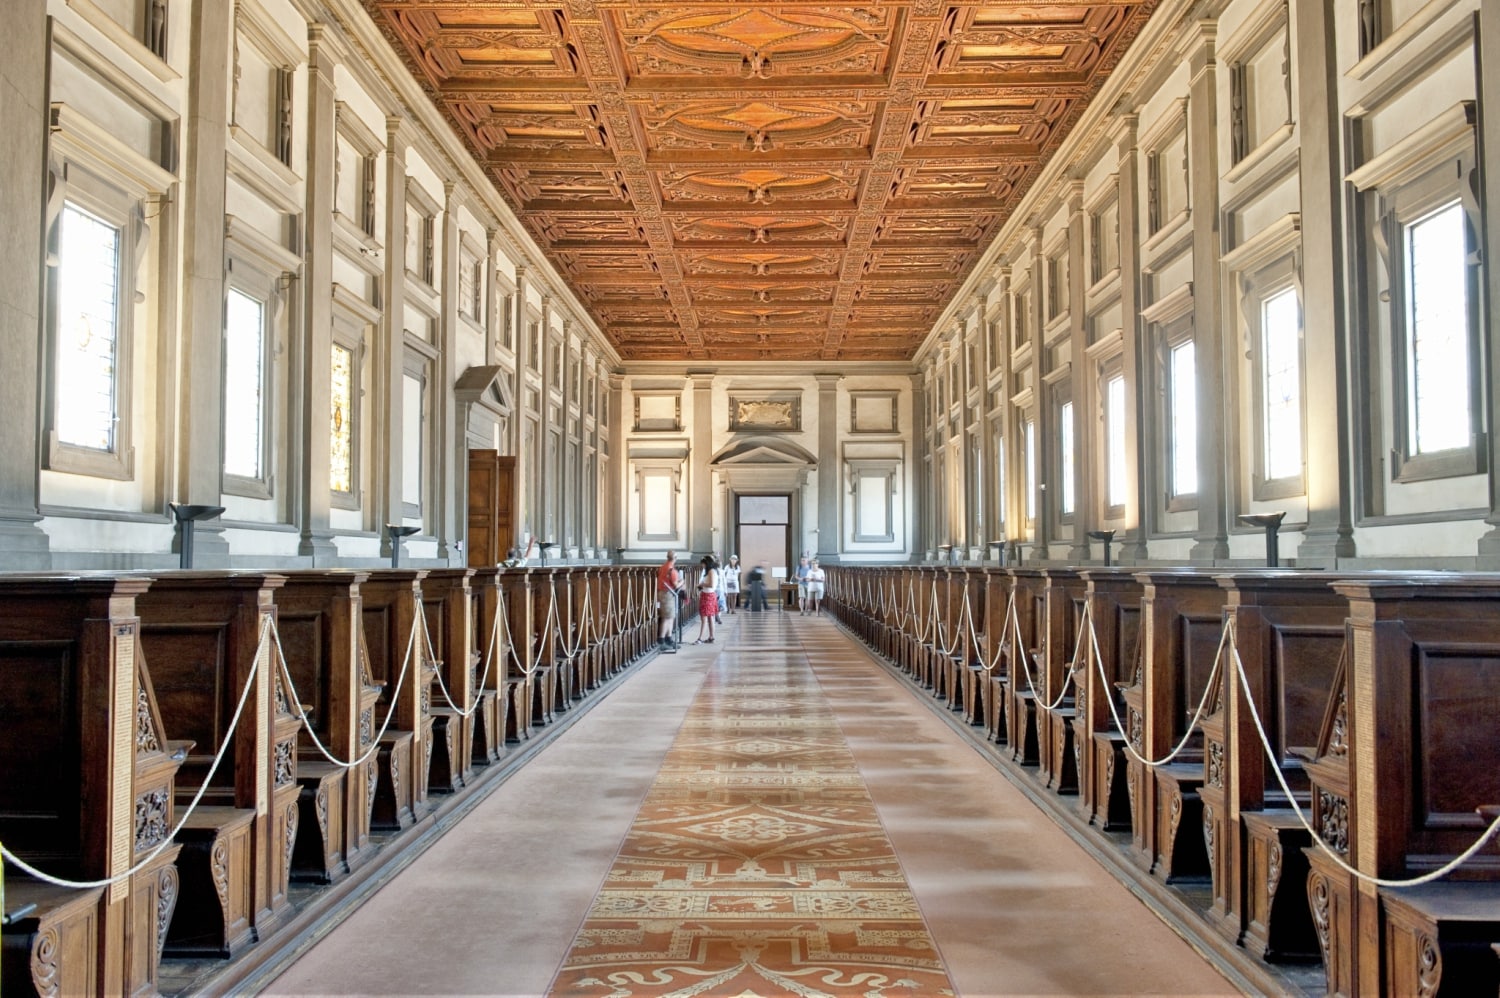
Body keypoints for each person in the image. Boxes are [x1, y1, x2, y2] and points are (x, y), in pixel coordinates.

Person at [657, 550, 682, 651]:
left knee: (670, 617)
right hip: (667, 594)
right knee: (666, 618)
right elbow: (676, 585)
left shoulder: (663, 567)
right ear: (675, 558)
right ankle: (662, 641)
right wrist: (682, 582)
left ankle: (669, 638)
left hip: (663, 593)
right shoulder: (671, 569)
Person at [693, 555, 718, 643]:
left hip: (709, 596)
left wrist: (701, 585)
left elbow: (711, 584)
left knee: (705, 618)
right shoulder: (708, 571)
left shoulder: (711, 571)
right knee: (710, 617)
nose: (702, 566)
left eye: (703, 564)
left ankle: (700, 638)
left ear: (707, 563)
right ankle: (711, 637)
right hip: (706, 594)